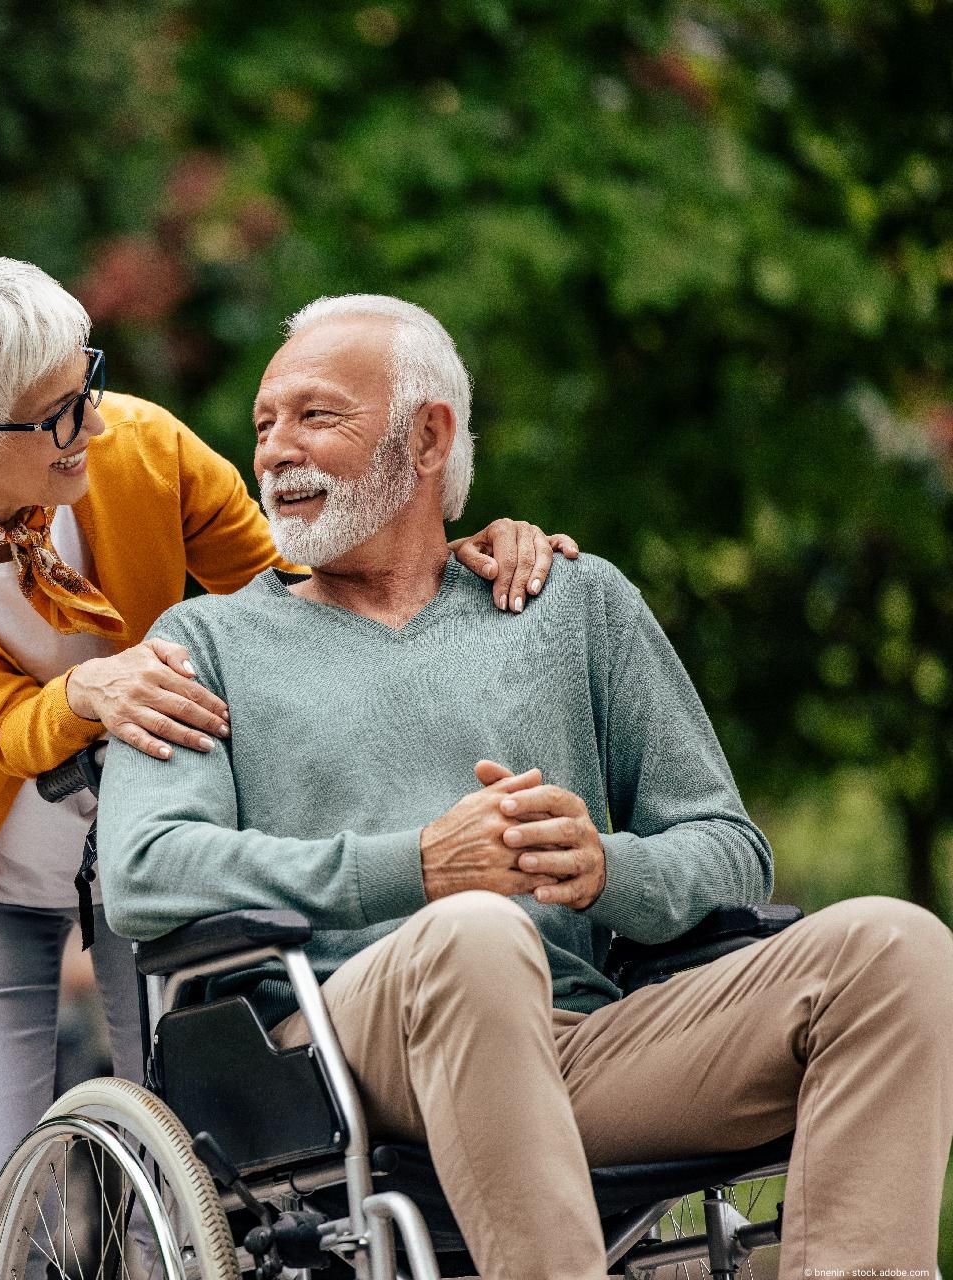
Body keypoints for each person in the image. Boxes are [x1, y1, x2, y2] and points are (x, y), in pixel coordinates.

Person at [96, 293, 953, 1279]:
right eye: (263, 425)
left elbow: (728, 847)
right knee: (476, 933)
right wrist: (416, 866)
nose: (275, 451)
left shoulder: (574, 605)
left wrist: (605, 870)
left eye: (315, 415)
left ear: (428, 437)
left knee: (898, 950)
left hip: (581, 1044)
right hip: (333, 1049)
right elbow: (146, 871)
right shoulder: (204, 642)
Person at [0, 253, 578, 1280]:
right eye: (57, 415)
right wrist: (90, 690)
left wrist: (455, 553)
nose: (94, 423)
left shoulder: (147, 449)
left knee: (197, 1171)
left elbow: (307, 589)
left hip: (157, 849)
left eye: (88, 381)